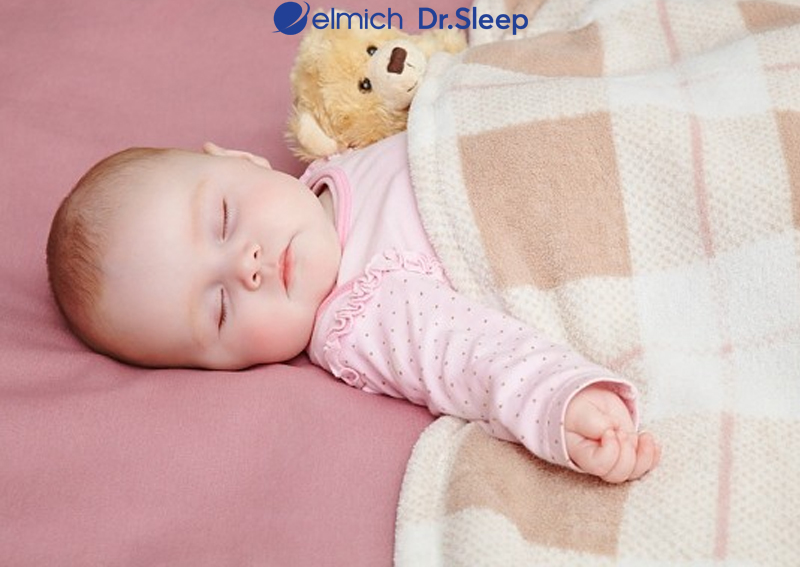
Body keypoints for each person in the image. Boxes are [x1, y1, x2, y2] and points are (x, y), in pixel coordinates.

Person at [47, 133, 660, 483]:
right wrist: (559, 401)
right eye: (221, 310)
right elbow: (468, 355)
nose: (246, 266)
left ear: (239, 160)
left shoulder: (335, 157)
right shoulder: (361, 315)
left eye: (224, 220)